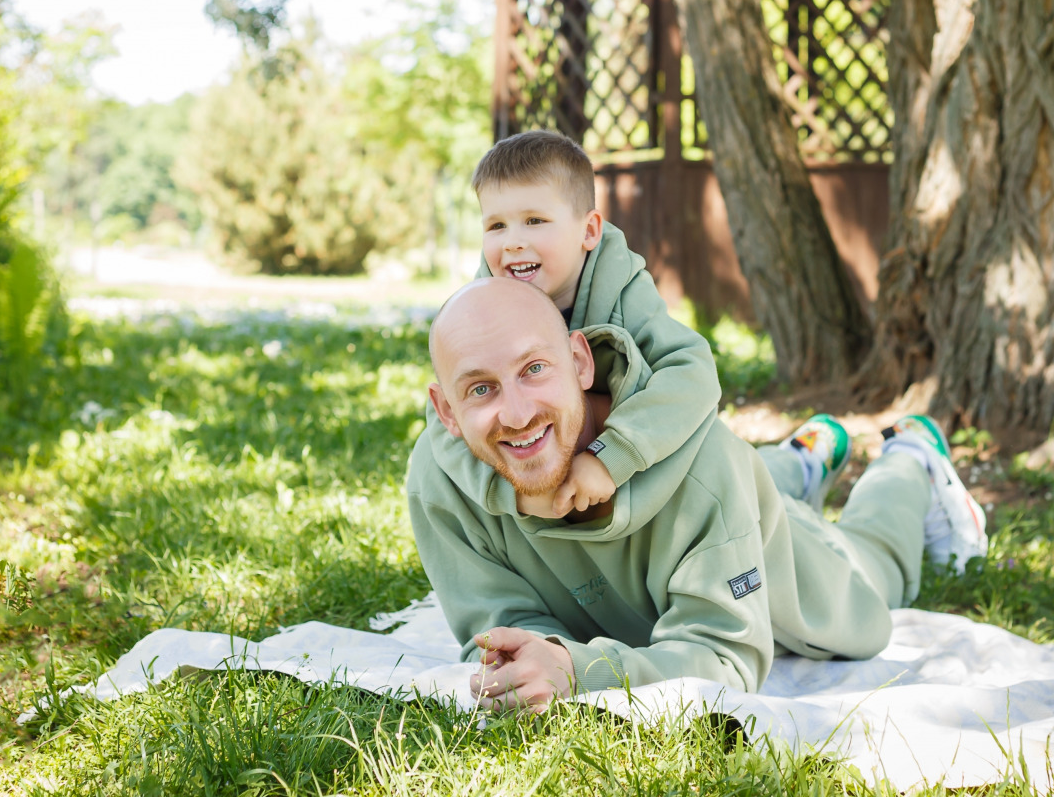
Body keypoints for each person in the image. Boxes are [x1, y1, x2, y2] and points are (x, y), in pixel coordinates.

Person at [408, 277, 988, 711]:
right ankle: (799, 458)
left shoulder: (710, 472)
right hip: (733, 504)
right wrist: (533, 661)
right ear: (446, 413)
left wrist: (580, 670)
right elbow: (501, 629)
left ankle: (909, 462)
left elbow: (725, 658)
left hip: (772, 547)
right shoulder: (440, 484)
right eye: (480, 388)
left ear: (581, 361)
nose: (515, 413)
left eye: (534, 369)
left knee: (872, 565)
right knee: (750, 484)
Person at [422, 130, 733, 522]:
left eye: (534, 220)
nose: (513, 242)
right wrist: (509, 494)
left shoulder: (624, 290)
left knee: (769, 493)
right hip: (544, 451)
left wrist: (611, 457)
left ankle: (802, 459)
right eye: (496, 226)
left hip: (652, 477)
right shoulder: (485, 305)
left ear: (587, 231)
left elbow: (692, 374)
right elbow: (446, 411)